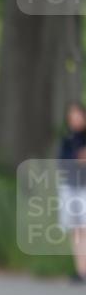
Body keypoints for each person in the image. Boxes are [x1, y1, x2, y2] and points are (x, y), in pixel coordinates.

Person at [58, 102, 86, 283]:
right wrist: (77, 160)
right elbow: (61, 163)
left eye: (78, 115)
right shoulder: (67, 140)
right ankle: (81, 271)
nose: (75, 120)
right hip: (70, 187)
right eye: (72, 116)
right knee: (76, 229)